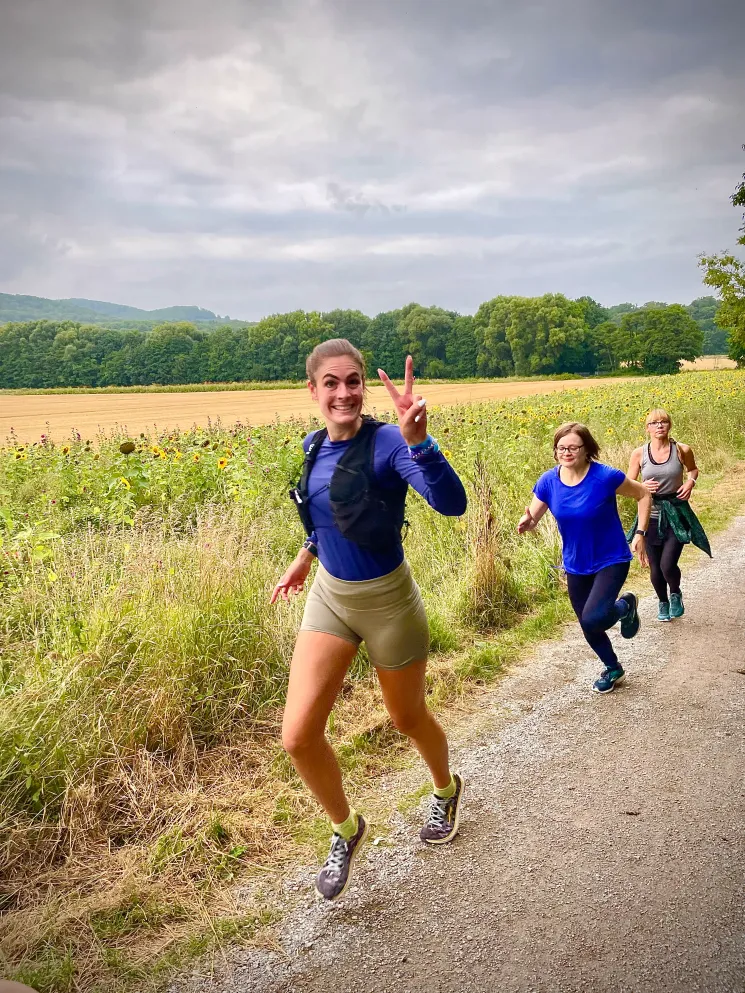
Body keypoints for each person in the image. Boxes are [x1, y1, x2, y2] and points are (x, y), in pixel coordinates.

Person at [272, 339, 467, 901]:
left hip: (388, 604)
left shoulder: (388, 442)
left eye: (352, 381)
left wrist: (421, 442)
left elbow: (450, 503)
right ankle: (346, 829)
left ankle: (445, 787)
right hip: (331, 598)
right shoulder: (312, 446)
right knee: (298, 736)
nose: (344, 393)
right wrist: (305, 557)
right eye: (331, 383)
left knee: (407, 719)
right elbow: (328, 515)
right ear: (312, 390)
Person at [518, 422, 652, 694]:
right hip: (576, 562)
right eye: (561, 448)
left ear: (586, 448)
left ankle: (625, 606)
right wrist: (527, 522)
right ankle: (613, 667)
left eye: (573, 447)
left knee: (593, 618)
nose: (566, 453)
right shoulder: (548, 481)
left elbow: (643, 494)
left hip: (611, 558)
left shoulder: (605, 477)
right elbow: (534, 515)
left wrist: (640, 533)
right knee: (587, 623)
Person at [627, 409, 711, 621]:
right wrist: (641, 485)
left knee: (667, 564)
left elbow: (693, 470)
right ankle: (662, 602)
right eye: (654, 423)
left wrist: (690, 482)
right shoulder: (639, 453)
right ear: (647, 428)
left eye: (663, 422)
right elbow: (628, 484)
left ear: (669, 425)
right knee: (655, 568)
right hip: (650, 515)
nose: (659, 426)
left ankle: (675, 593)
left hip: (676, 513)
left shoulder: (681, 449)